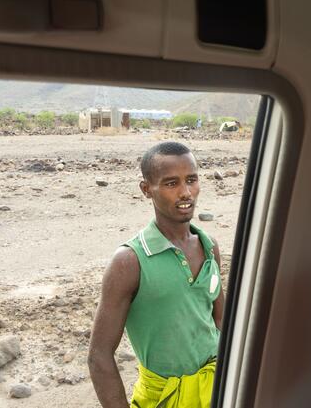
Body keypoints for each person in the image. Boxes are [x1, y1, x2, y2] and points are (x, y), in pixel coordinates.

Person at [88, 141, 225, 408]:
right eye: (171, 183)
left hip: (216, 387)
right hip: (164, 398)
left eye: (192, 180)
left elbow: (220, 318)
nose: (186, 192)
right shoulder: (130, 261)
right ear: (146, 189)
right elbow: (99, 355)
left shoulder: (209, 246)